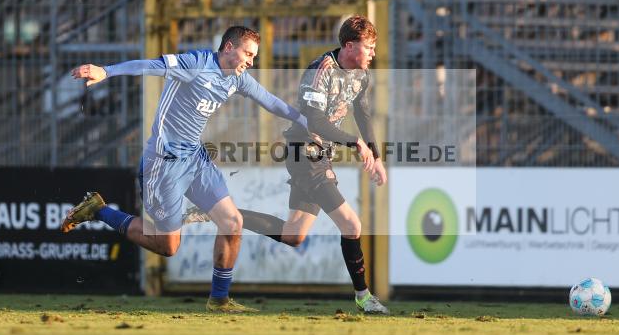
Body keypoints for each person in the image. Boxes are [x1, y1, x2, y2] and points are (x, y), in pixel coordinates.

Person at [60, 26, 305, 314]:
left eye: (254, 56)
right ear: (228, 47)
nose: (251, 61)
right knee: (167, 246)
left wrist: (304, 121)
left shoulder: (237, 78)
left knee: (232, 222)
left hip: (195, 158)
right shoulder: (195, 63)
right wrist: (107, 71)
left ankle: (219, 300)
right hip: (164, 163)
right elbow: (151, 66)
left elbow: (270, 101)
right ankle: (99, 210)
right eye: (247, 54)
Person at [199, 16, 390, 314]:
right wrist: (355, 143)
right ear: (350, 45)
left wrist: (376, 157)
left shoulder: (360, 75)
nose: (373, 53)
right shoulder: (320, 71)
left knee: (293, 235)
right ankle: (364, 297)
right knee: (352, 225)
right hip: (305, 153)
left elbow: (363, 113)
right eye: (369, 47)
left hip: (320, 154)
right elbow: (314, 121)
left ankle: (222, 215)